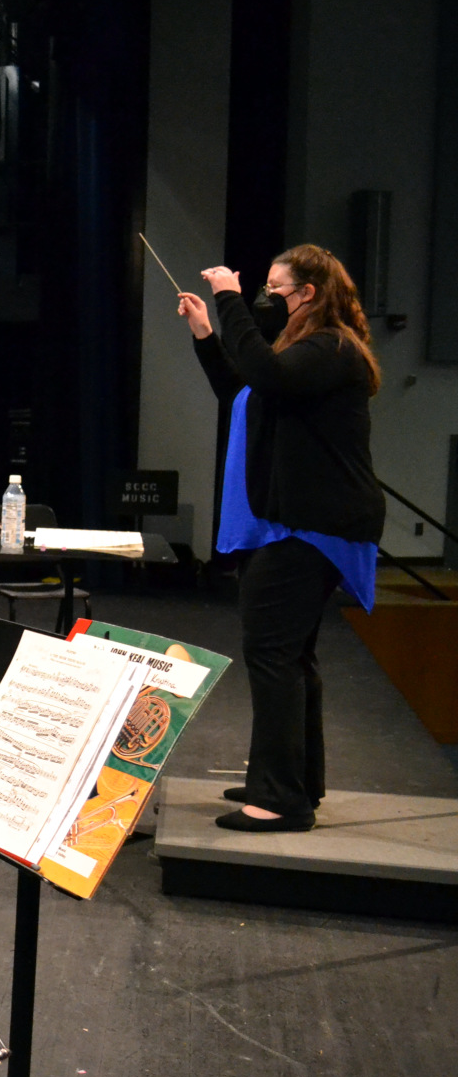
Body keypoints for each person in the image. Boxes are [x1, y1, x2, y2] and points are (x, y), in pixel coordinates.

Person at [178, 244, 384, 834]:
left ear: (309, 294)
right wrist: (204, 334)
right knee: (290, 656)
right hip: (295, 523)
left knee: (274, 655)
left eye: (275, 291)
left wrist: (228, 299)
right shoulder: (305, 352)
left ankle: (282, 798)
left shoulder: (332, 347)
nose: (267, 300)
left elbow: (265, 373)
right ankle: (293, 781)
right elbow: (245, 392)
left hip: (312, 526)